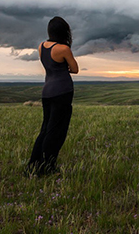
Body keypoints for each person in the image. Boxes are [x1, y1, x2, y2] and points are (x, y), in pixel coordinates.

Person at [26, 16, 79, 176]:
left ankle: (33, 166)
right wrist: (64, 68)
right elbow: (75, 69)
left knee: (45, 129)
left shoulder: (41, 46)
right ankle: (47, 167)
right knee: (57, 131)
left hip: (47, 91)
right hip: (62, 91)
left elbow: (49, 64)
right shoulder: (63, 49)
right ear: (64, 31)